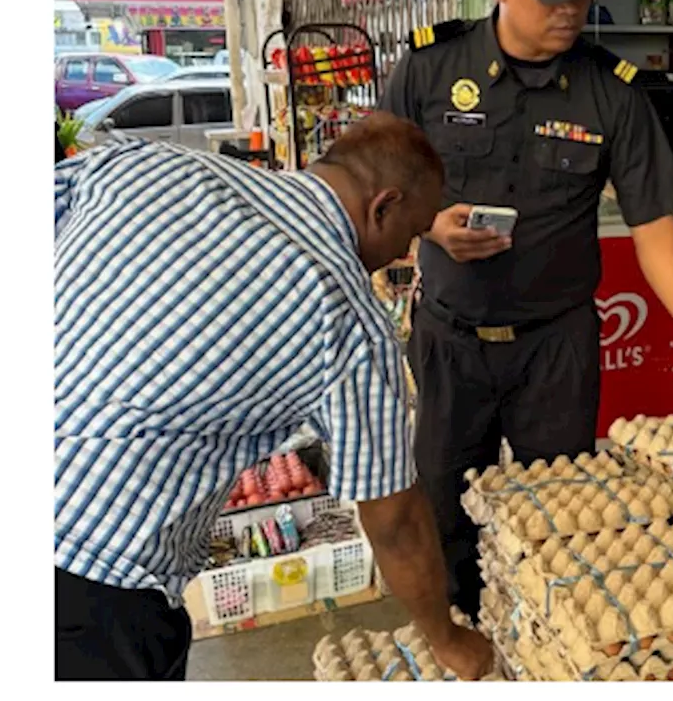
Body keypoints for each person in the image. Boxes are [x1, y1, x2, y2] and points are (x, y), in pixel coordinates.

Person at [378, 0, 673, 619]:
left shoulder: (610, 92)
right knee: (445, 511)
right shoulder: (431, 67)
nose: (571, 8)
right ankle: (462, 638)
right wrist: (428, 225)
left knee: (562, 518)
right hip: (451, 339)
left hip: (557, 346)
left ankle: (545, 647)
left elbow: (652, 222)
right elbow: (375, 186)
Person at [54, 115, 493, 680]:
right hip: (94, 583)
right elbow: (395, 520)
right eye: (409, 235)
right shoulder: (345, 317)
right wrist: (447, 637)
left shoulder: (141, 163)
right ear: (382, 207)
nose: (401, 253)